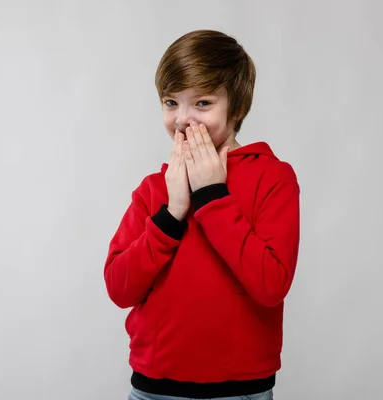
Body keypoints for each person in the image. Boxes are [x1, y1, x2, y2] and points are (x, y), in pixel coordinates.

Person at [104, 29, 301, 400]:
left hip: (240, 390)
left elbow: (271, 285)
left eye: (203, 103)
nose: (183, 118)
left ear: (238, 107)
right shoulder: (155, 187)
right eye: (171, 102)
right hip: (154, 387)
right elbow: (118, 287)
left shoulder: (273, 177)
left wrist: (212, 196)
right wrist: (173, 212)